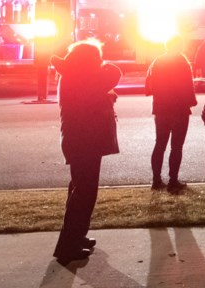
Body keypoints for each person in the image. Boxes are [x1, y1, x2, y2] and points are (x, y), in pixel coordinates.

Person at [51, 41, 121, 265]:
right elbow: (114, 73)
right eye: (97, 58)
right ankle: (68, 246)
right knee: (84, 194)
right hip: (85, 141)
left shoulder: (72, 74)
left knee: (79, 191)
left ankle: (75, 238)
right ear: (89, 60)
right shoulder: (82, 76)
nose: (101, 62)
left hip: (79, 140)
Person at [144, 35, 197, 193]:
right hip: (179, 110)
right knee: (176, 147)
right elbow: (187, 86)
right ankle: (173, 180)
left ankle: (156, 180)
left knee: (160, 144)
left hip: (161, 109)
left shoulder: (158, 61)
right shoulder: (182, 62)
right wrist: (191, 102)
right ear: (179, 46)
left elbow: (149, 86)